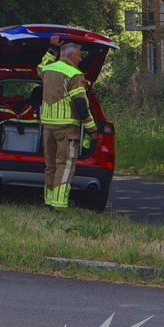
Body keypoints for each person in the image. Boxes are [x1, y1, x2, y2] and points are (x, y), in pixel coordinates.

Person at [38, 34, 97, 210]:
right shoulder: (74, 74)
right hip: (67, 128)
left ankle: (49, 201)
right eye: (79, 55)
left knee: (50, 165)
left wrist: (52, 49)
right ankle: (59, 205)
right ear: (71, 56)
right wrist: (91, 126)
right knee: (65, 166)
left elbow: (40, 67)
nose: (80, 59)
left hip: (48, 126)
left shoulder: (48, 70)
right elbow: (80, 103)